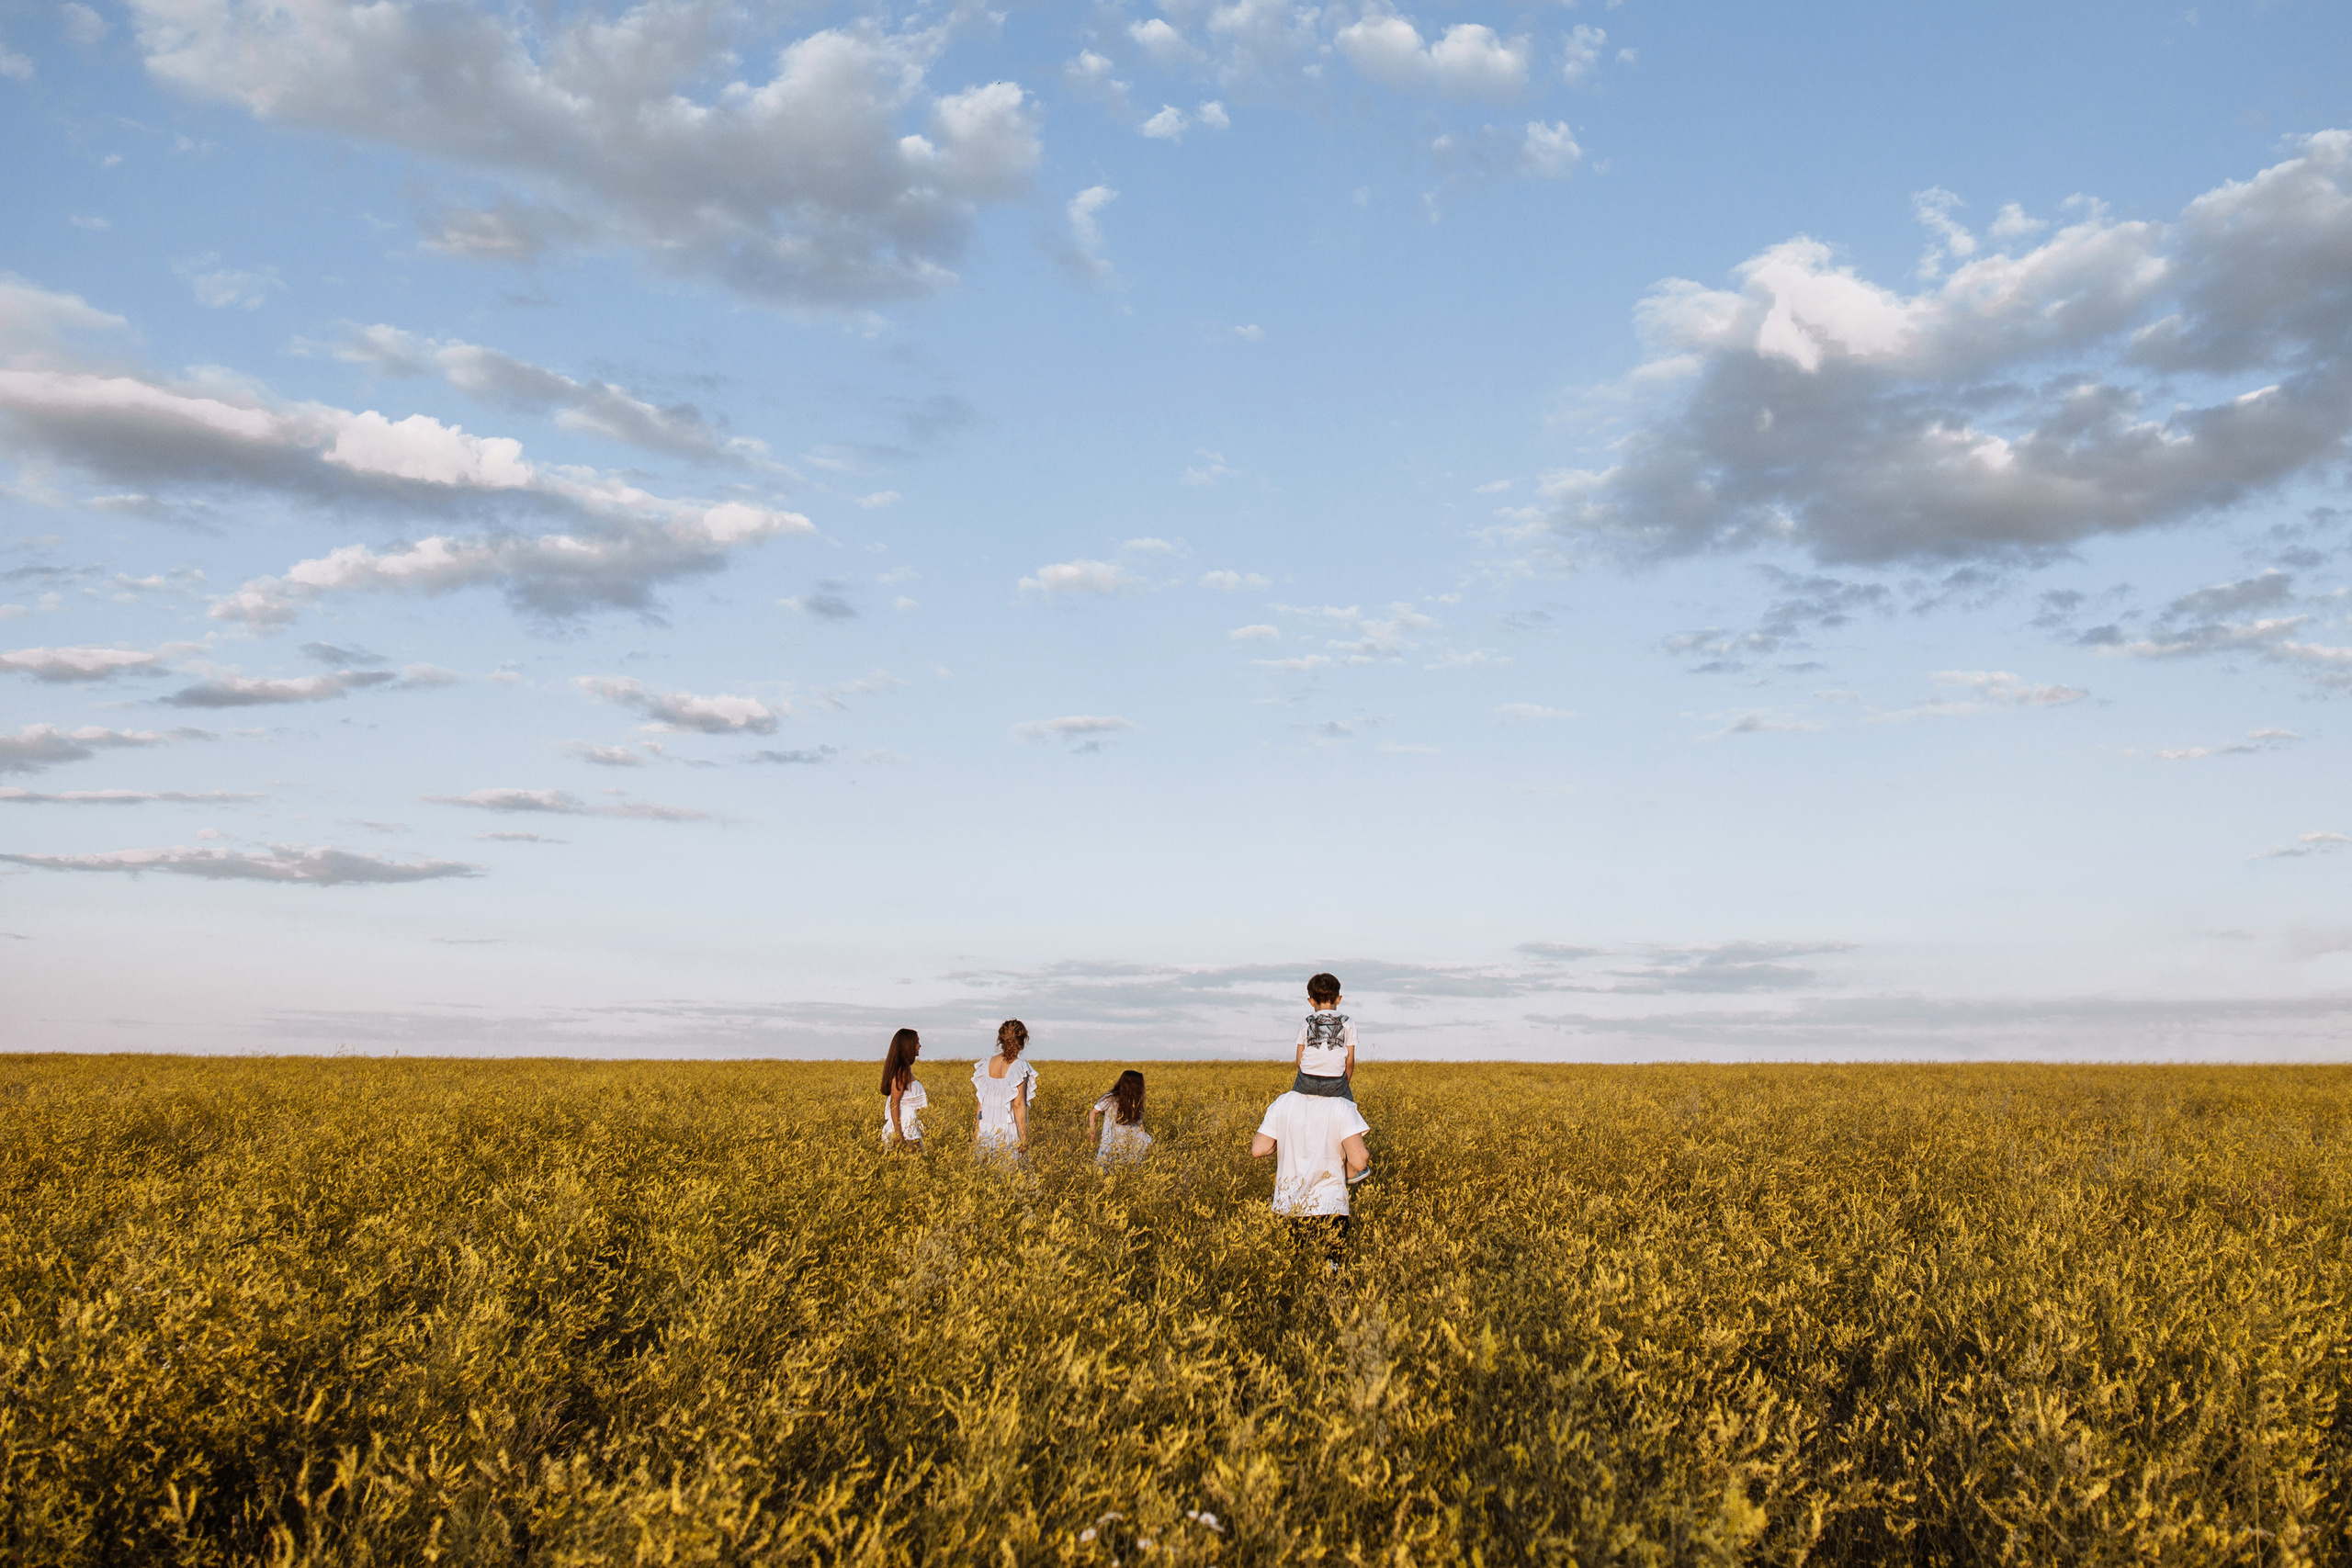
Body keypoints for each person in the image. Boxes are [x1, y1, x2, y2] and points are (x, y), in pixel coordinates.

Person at [1251, 1081, 1371, 1263]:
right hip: (1329, 1207)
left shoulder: (1283, 1102)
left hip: (1288, 1207)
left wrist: (1284, 1139)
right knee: (1331, 1274)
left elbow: (1259, 1149)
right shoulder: (1341, 1105)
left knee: (1291, 1271)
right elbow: (1360, 1160)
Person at [972, 1018, 1037, 1159]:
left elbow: (980, 1103)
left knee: (985, 1174)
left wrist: (976, 1132)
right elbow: (1018, 1104)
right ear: (1023, 1041)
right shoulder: (1019, 1067)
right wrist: (1024, 1138)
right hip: (1007, 1129)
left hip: (986, 1129)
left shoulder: (986, 1063)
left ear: (1000, 1040)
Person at [1290, 971, 1357, 1100]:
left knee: (1295, 1102)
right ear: (1339, 999)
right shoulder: (1348, 1022)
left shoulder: (1306, 1023)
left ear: (1311, 1001)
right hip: (1335, 1080)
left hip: (1307, 1078)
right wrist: (1344, 1085)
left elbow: (1299, 1061)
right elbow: (1349, 1062)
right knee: (1349, 1108)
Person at [1087, 1070, 1152, 1167]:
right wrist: (1092, 1130)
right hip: (1115, 1138)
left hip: (1122, 1138)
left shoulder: (1135, 1101)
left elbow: (1093, 1113)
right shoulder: (1110, 1098)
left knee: (1112, 1166)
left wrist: (1092, 1129)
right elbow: (1094, 1113)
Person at [879, 1027, 926, 1151]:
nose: (919, 1046)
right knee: (915, 1165)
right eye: (917, 1042)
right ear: (908, 1046)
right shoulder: (902, 1071)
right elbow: (894, 1102)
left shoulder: (904, 1070)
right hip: (905, 1127)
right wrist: (898, 1134)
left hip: (906, 1124)